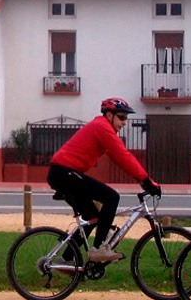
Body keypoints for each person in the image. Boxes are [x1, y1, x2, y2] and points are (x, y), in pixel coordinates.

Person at [47, 97, 162, 263]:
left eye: (126, 118)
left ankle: (66, 260)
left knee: (93, 218)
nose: (125, 122)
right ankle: (100, 248)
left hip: (64, 173)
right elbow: (123, 156)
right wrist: (146, 180)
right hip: (64, 172)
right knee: (111, 197)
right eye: (122, 117)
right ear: (109, 115)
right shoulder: (102, 127)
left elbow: (119, 159)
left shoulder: (101, 128)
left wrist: (142, 180)